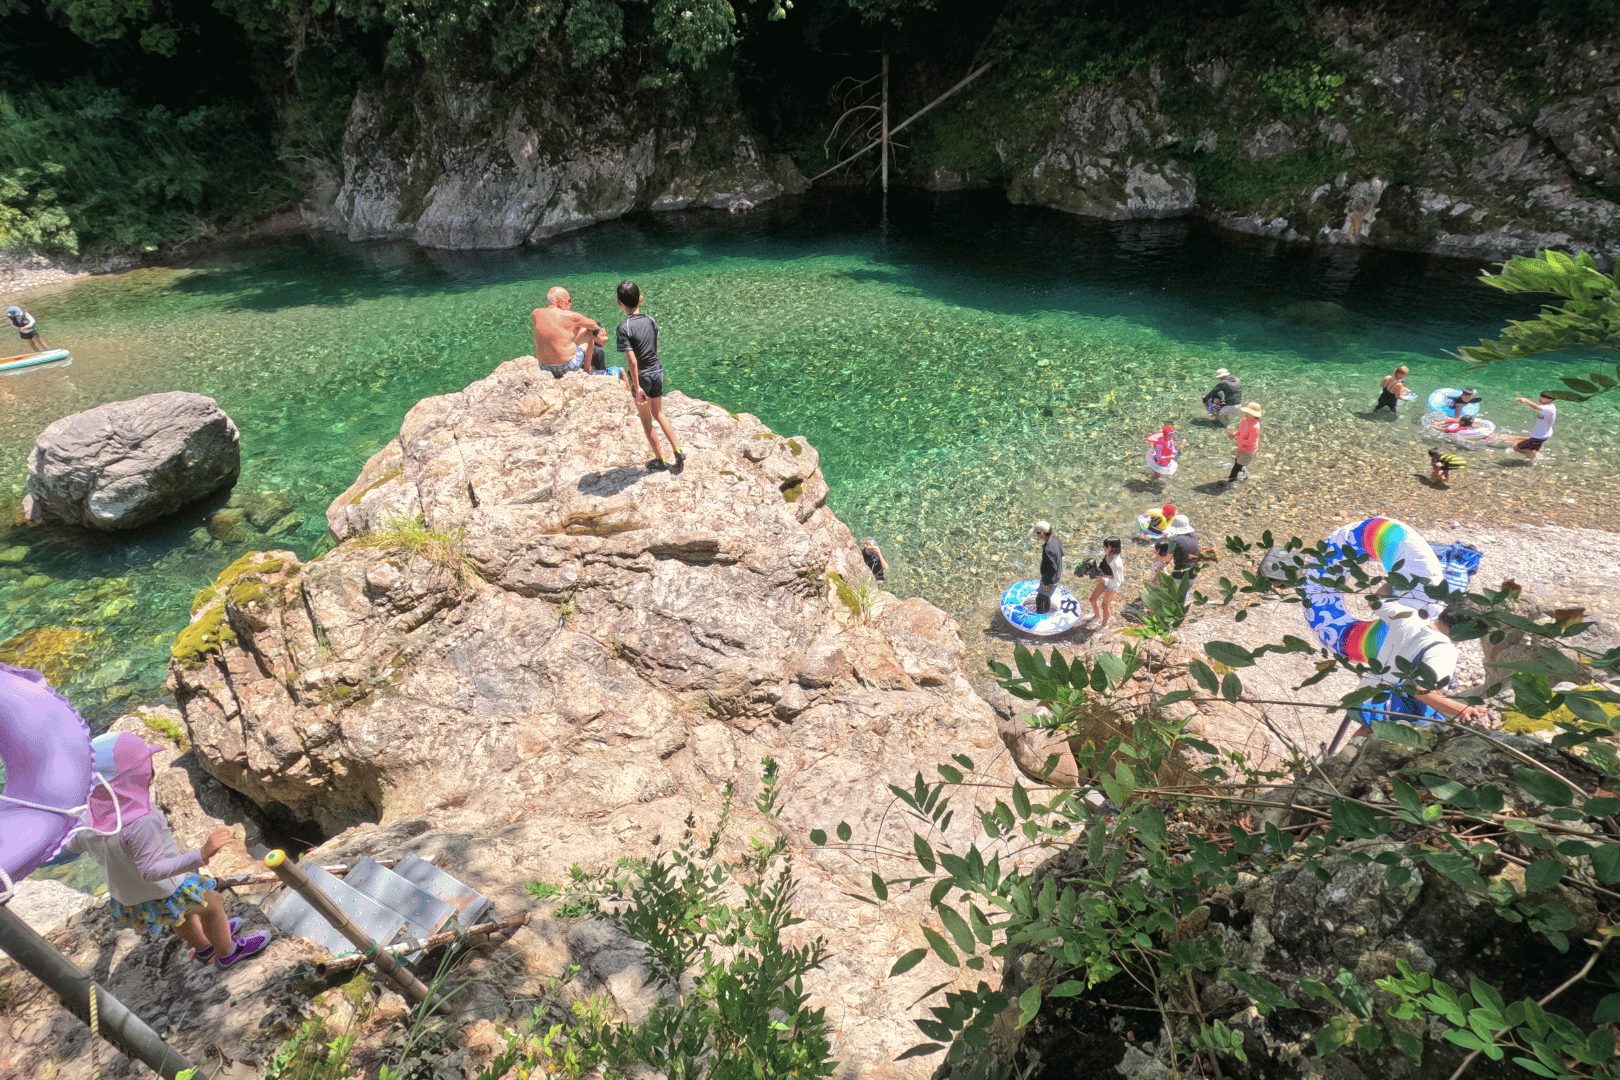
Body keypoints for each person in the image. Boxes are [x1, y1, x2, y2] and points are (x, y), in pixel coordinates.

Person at [66, 732, 269, 968]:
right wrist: (201, 854)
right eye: (144, 765)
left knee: (177, 916)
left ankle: (204, 948)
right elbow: (152, 870)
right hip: (163, 888)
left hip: (131, 897)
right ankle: (227, 951)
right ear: (132, 778)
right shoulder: (141, 821)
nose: (150, 768)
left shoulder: (87, 817)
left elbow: (71, 844)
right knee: (211, 904)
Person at [616, 280, 685, 472]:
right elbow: (655, 348)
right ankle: (678, 450)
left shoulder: (624, 328)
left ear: (619, 303)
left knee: (646, 420)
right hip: (657, 371)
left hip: (643, 377)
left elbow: (632, 362)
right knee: (659, 413)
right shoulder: (651, 320)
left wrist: (636, 386)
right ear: (640, 298)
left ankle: (661, 460)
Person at [531, 286, 602, 377]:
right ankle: (587, 370)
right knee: (587, 330)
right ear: (560, 302)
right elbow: (594, 325)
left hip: (544, 368)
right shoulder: (571, 316)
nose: (570, 304)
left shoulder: (536, 313)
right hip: (567, 368)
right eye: (569, 301)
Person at [1086, 536, 1125, 629]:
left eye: (1106, 546)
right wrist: (1092, 571)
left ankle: (1104, 624)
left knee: (1104, 605)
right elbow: (1102, 569)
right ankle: (1097, 616)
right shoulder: (1107, 556)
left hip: (1113, 586)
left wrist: (1104, 579)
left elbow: (1118, 580)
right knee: (1092, 600)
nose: (1103, 548)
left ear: (1113, 548)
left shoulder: (1117, 563)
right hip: (1104, 580)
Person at [1511, 391, 1557, 462]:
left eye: (1544, 397)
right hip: (1544, 435)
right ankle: (1532, 459)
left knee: (1516, 448)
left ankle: (1533, 454)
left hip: (1539, 437)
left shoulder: (1549, 408)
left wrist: (1526, 401)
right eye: (1541, 396)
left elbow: (1536, 406)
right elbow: (1536, 406)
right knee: (1532, 448)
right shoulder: (1547, 406)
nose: (1541, 398)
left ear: (1551, 400)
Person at [1225, 401, 1262, 483]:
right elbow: (1240, 431)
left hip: (1249, 450)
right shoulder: (1244, 420)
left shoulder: (1255, 427)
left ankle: (1230, 481)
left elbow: (1250, 442)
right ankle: (1243, 469)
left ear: (1254, 415)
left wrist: (1237, 438)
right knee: (1237, 460)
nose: (1245, 413)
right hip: (1241, 446)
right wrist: (1234, 434)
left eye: (1248, 412)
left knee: (1235, 467)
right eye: (1246, 411)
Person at [1034, 520, 1063, 614]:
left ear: (1042, 533)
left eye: (1037, 533)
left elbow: (1052, 568)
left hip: (1050, 579)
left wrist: (1046, 583)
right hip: (1057, 575)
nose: (1036, 535)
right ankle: (1046, 611)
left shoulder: (1047, 549)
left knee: (1040, 598)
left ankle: (1040, 616)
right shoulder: (1056, 539)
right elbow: (1061, 554)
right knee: (1046, 596)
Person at [1164, 514, 1200, 580]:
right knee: (1186, 589)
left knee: (1174, 589)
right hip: (1194, 571)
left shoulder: (1174, 540)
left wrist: (1162, 567)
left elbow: (1168, 559)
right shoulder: (1194, 538)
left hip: (1180, 573)